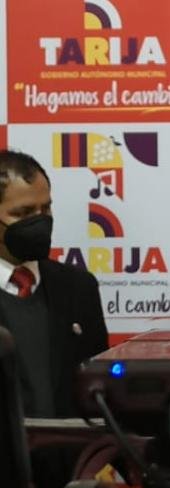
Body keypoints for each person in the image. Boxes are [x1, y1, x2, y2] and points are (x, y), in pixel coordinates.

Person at [0, 149, 108, 418]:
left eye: (46, 208)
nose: (40, 221)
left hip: (70, 445)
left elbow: (99, 393)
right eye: (24, 213)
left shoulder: (79, 288)